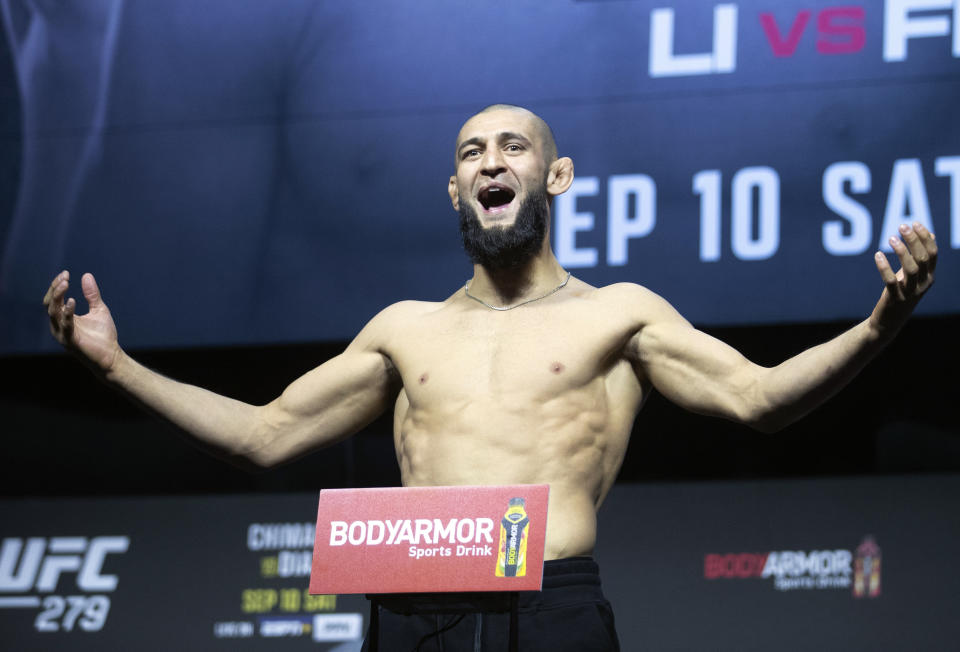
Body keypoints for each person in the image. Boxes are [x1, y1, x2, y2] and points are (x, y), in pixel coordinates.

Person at [44, 104, 937, 651]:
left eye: (513, 147)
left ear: (555, 177)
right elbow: (263, 434)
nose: (491, 162)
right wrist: (118, 368)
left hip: (551, 612)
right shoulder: (405, 329)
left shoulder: (618, 313)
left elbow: (760, 399)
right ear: (453, 187)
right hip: (408, 611)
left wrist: (879, 324)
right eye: (473, 152)